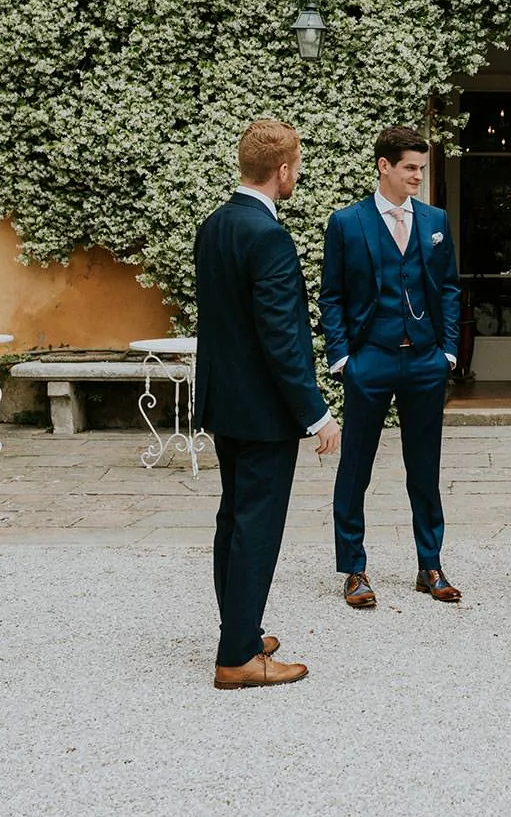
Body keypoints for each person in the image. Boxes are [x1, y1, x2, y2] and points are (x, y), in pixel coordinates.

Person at [194, 119, 341, 690]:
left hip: (225, 404)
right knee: (256, 526)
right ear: (283, 170)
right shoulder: (269, 237)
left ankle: (241, 630)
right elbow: (281, 336)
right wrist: (316, 414)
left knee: (234, 519)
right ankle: (237, 657)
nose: (297, 174)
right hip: (261, 411)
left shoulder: (214, 226)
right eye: (296, 166)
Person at [318, 126, 463, 608]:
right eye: (410, 168)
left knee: (424, 467)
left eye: (421, 168)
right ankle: (354, 569)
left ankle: (430, 565)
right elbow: (332, 295)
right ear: (384, 166)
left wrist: (446, 351)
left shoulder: (435, 220)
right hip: (370, 360)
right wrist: (342, 358)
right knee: (355, 466)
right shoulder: (347, 222)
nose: (418, 176)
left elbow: (447, 288)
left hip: (424, 360)